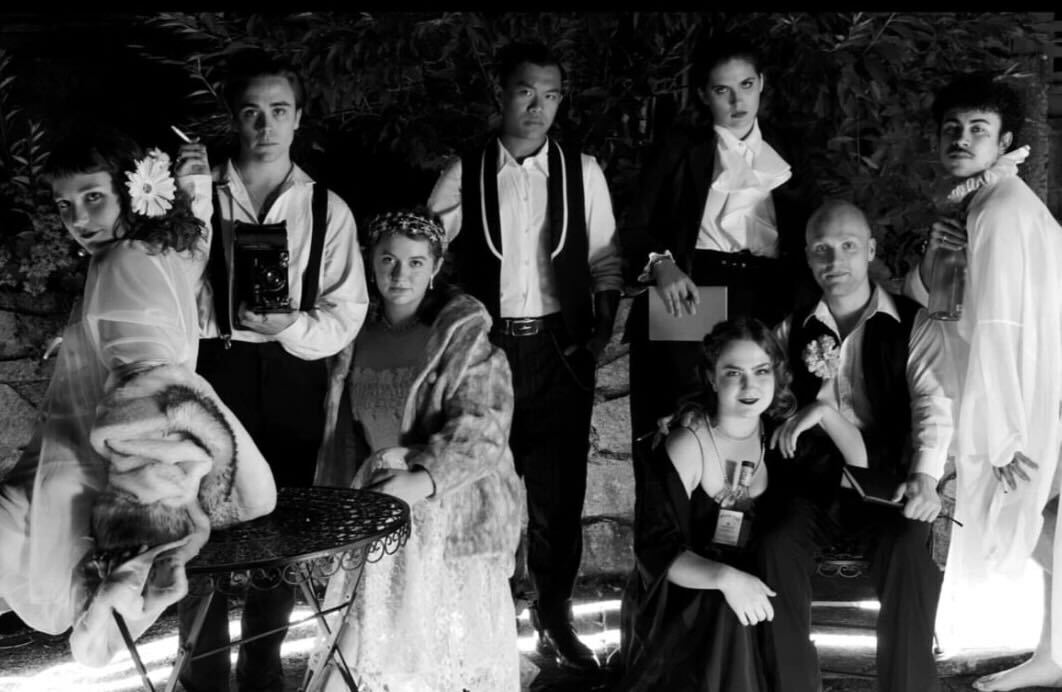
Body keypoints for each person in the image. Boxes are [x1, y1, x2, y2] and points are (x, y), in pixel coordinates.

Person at [177, 48, 369, 692]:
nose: (266, 126)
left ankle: (262, 668)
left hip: (292, 376)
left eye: (279, 111)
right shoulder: (196, 199)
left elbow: (346, 313)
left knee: (281, 527)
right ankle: (202, 674)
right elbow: (167, 284)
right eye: (253, 113)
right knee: (199, 523)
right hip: (211, 372)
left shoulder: (326, 210)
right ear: (235, 119)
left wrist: (289, 325)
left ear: (298, 118)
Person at [427, 40, 622, 670]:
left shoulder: (580, 169)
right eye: (525, 92)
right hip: (491, 350)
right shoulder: (468, 169)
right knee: (485, 491)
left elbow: (604, 259)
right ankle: (487, 622)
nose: (538, 107)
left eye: (551, 94)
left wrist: (596, 337)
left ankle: (554, 618)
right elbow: (424, 250)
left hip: (560, 347)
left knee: (560, 498)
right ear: (501, 94)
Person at [0, 127, 216, 651]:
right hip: (79, 459)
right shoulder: (158, 250)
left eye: (93, 197)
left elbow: (143, 391)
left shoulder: (123, 264)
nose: (77, 220)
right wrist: (195, 191)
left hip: (92, 471)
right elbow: (197, 248)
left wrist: (136, 518)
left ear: (133, 191)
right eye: (64, 205)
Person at [310, 207, 524, 691]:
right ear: (370, 262)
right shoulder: (351, 332)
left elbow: (485, 426)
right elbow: (342, 430)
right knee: (365, 636)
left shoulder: (461, 334)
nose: (399, 274)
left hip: (448, 506)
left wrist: (423, 479)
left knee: (440, 642)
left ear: (434, 267)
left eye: (414, 262)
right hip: (378, 503)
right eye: (387, 260)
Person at [903, 73, 1062, 692]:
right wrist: (944, 257)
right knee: (1039, 529)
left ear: (1005, 141)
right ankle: (1052, 653)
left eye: (978, 129)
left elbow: (998, 328)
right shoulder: (987, 206)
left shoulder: (999, 210)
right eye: (952, 129)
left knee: (1026, 528)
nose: (962, 139)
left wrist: (1002, 439)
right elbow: (943, 302)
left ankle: (1054, 653)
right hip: (1027, 393)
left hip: (1018, 402)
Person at [756, 199, 954, 692]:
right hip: (810, 482)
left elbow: (933, 402)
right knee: (772, 546)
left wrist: (926, 478)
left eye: (847, 246)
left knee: (910, 550)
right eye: (822, 249)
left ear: (869, 250)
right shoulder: (790, 326)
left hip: (886, 482)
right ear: (807, 256)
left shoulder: (915, 322)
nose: (834, 260)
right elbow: (759, 391)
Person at [620, 33, 811, 488]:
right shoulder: (680, 146)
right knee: (674, 420)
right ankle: (665, 550)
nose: (737, 100)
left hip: (766, 293)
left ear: (762, 84)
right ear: (705, 94)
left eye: (746, 85)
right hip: (692, 286)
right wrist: (662, 266)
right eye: (723, 90)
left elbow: (809, 232)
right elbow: (633, 225)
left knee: (760, 422)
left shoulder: (789, 148)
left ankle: (747, 547)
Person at [618, 316, 799, 691]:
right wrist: (725, 579)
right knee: (728, 610)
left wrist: (825, 414)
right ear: (713, 378)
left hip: (756, 586)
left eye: (762, 370)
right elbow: (655, 551)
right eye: (734, 373)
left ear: (776, 376)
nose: (750, 385)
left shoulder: (781, 438)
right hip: (685, 596)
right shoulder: (687, 444)